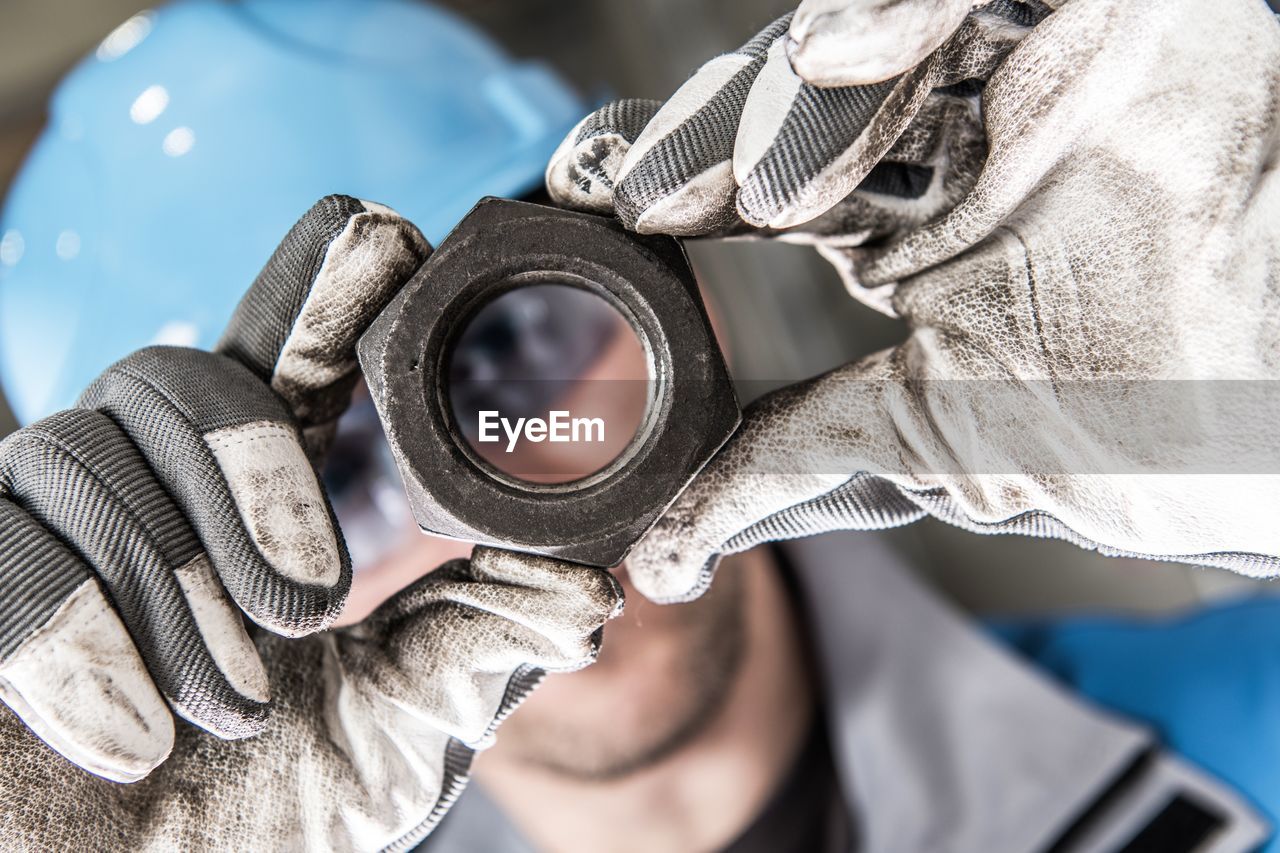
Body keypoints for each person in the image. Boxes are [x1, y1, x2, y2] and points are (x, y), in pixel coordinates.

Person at [0, 0, 1278, 851]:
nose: (480, 495)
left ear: (675, 287)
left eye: (504, 354)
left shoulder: (1246, 723)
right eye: (327, 483)